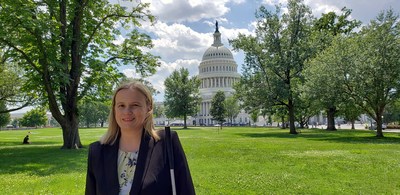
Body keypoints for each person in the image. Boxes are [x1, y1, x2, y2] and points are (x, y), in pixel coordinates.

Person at [85, 80, 195, 195]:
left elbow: (186, 190)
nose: (127, 111)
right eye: (121, 105)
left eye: (135, 105)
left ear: (149, 107)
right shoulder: (97, 151)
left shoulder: (167, 143)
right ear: (114, 109)